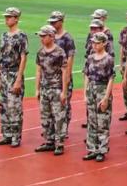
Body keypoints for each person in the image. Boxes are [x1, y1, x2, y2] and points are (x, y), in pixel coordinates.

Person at [0, 7, 28, 148]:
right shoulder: (3, 35)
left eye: (9, 17)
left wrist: (19, 79)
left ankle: (15, 136)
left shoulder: (21, 36)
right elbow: (0, 57)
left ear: (16, 18)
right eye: (6, 17)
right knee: (3, 106)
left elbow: (23, 57)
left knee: (14, 107)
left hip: (14, 74)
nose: (6, 19)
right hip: (3, 74)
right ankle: (7, 135)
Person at [34, 25, 68, 156]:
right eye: (41, 36)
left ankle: (59, 143)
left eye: (43, 36)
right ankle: (49, 141)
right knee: (45, 116)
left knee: (58, 117)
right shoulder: (40, 52)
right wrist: (37, 89)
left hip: (56, 89)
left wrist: (64, 91)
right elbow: (38, 71)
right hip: (44, 88)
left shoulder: (59, 52)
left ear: (51, 36)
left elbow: (65, 72)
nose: (41, 38)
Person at [83, 32, 115, 162]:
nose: (94, 45)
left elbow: (111, 79)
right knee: (92, 121)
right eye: (93, 42)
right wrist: (85, 92)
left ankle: (101, 149)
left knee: (102, 121)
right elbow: (86, 74)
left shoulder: (108, 59)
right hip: (91, 90)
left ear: (104, 43)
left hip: (102, 90)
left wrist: (106, 97)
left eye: (97, 43)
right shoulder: (90, 58)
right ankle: (92, 149)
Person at [48, 11, 76, 137]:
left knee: (64, 103)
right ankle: (54, 130)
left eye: (55, 22)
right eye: (51, 22)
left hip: (63, 75)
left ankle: (63, 129)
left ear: (61, 21)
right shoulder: (51, 37)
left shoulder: (67, 38)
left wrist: (68, 76)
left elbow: (70, 58)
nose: (52, 24)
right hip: (51, 77)